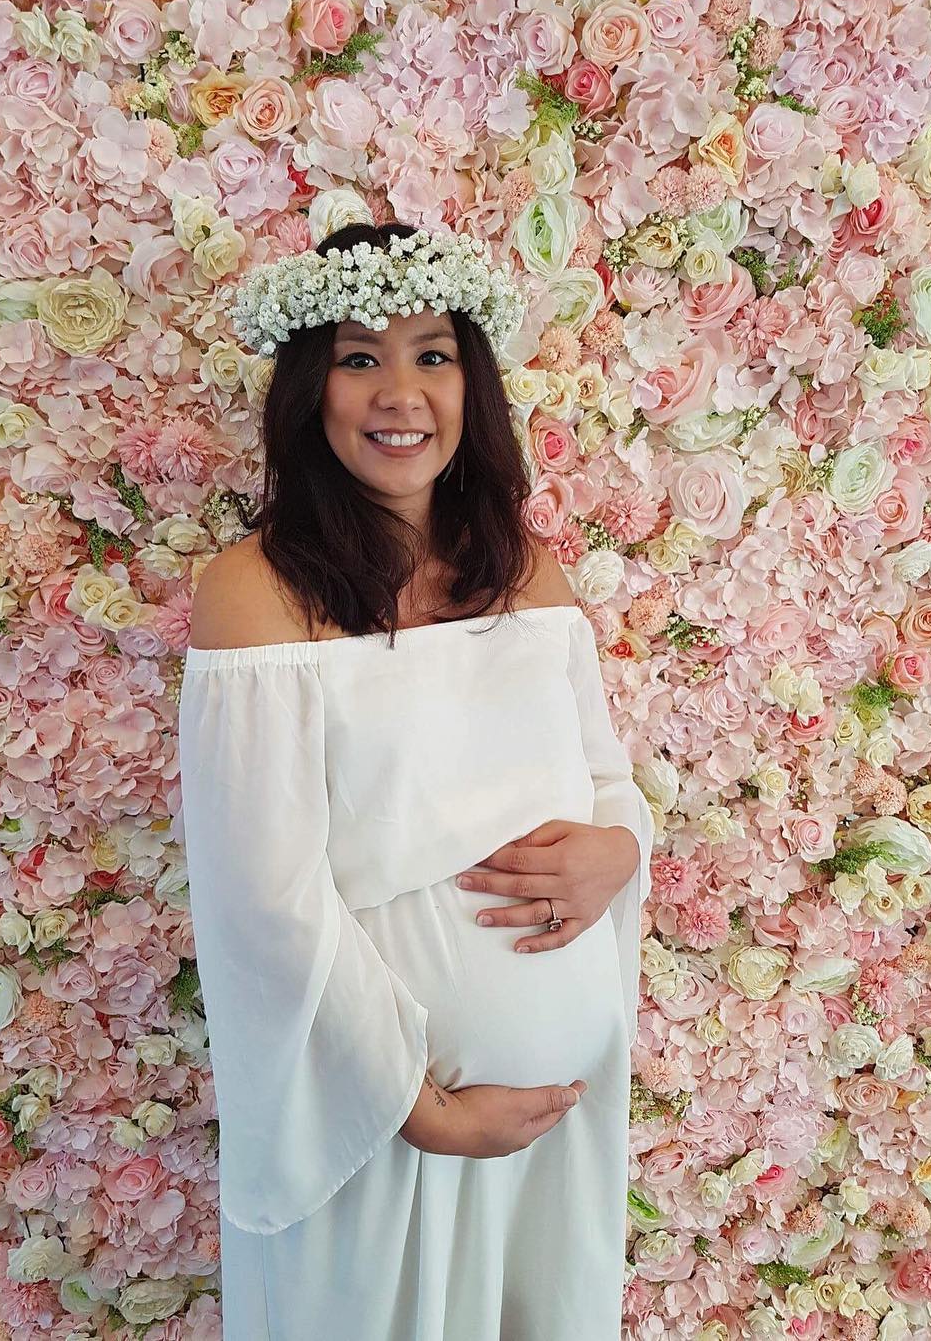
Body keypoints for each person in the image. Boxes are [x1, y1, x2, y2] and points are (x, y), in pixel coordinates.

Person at [175, 221, 654, 1339]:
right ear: (311, 390)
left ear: (471, 383)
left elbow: (608, 780)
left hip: (546, 1138)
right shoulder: (255, 593)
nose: (401, 392)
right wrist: (421, 1108)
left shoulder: (526, 570)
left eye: (433, 354)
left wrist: (618, 850)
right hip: (372, 1122)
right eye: (359, 357)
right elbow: (265, 899)